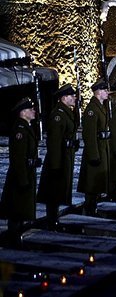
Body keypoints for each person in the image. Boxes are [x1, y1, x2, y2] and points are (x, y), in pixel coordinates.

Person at [37, 84, 78, 229]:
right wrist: (55, 164)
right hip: (58, 158)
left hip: (65, 155)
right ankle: (51, 220)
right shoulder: (58, 115)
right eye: (72, 96)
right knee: (54, 189)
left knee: (59, 189)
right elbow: (54, 141)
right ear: (63, 98)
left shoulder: (66, 112)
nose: (75, 98)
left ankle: (54, 219)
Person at [0, 98, 39, 247]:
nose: (34, 111)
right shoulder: (20, 130)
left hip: (26, 173)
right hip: (20, 175)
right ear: (23, 112)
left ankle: (16, 237)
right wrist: (23, 179)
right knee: (16, 209)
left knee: (21, 209)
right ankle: (13, 238)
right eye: (31, 109)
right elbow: (18, 157)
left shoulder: (25, 127)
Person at [77, 80, 111, 216]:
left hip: (102, 147)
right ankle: (89, 208)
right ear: (98, 92)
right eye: (105, 90)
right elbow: (89, 134)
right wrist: (94, 154)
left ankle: (93, 207)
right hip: (95, 148)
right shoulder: (92, 109)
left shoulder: (101, 107)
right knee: (91, 182)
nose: (107, 93)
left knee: (97, 181)